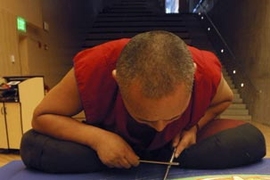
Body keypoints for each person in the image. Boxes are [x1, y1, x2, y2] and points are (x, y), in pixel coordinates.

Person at [20, 31, 266, 173]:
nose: (160, 127)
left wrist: (193, 126)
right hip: (110, 143)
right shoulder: (99, 64)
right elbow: (41, 117)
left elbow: (225, 99)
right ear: (117, 80)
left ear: (192, 75)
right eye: (145, 117)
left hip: (173, 147)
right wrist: (98, 139)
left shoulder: (204, 68)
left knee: (251, 142)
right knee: (34, 146)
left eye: (170, 117)